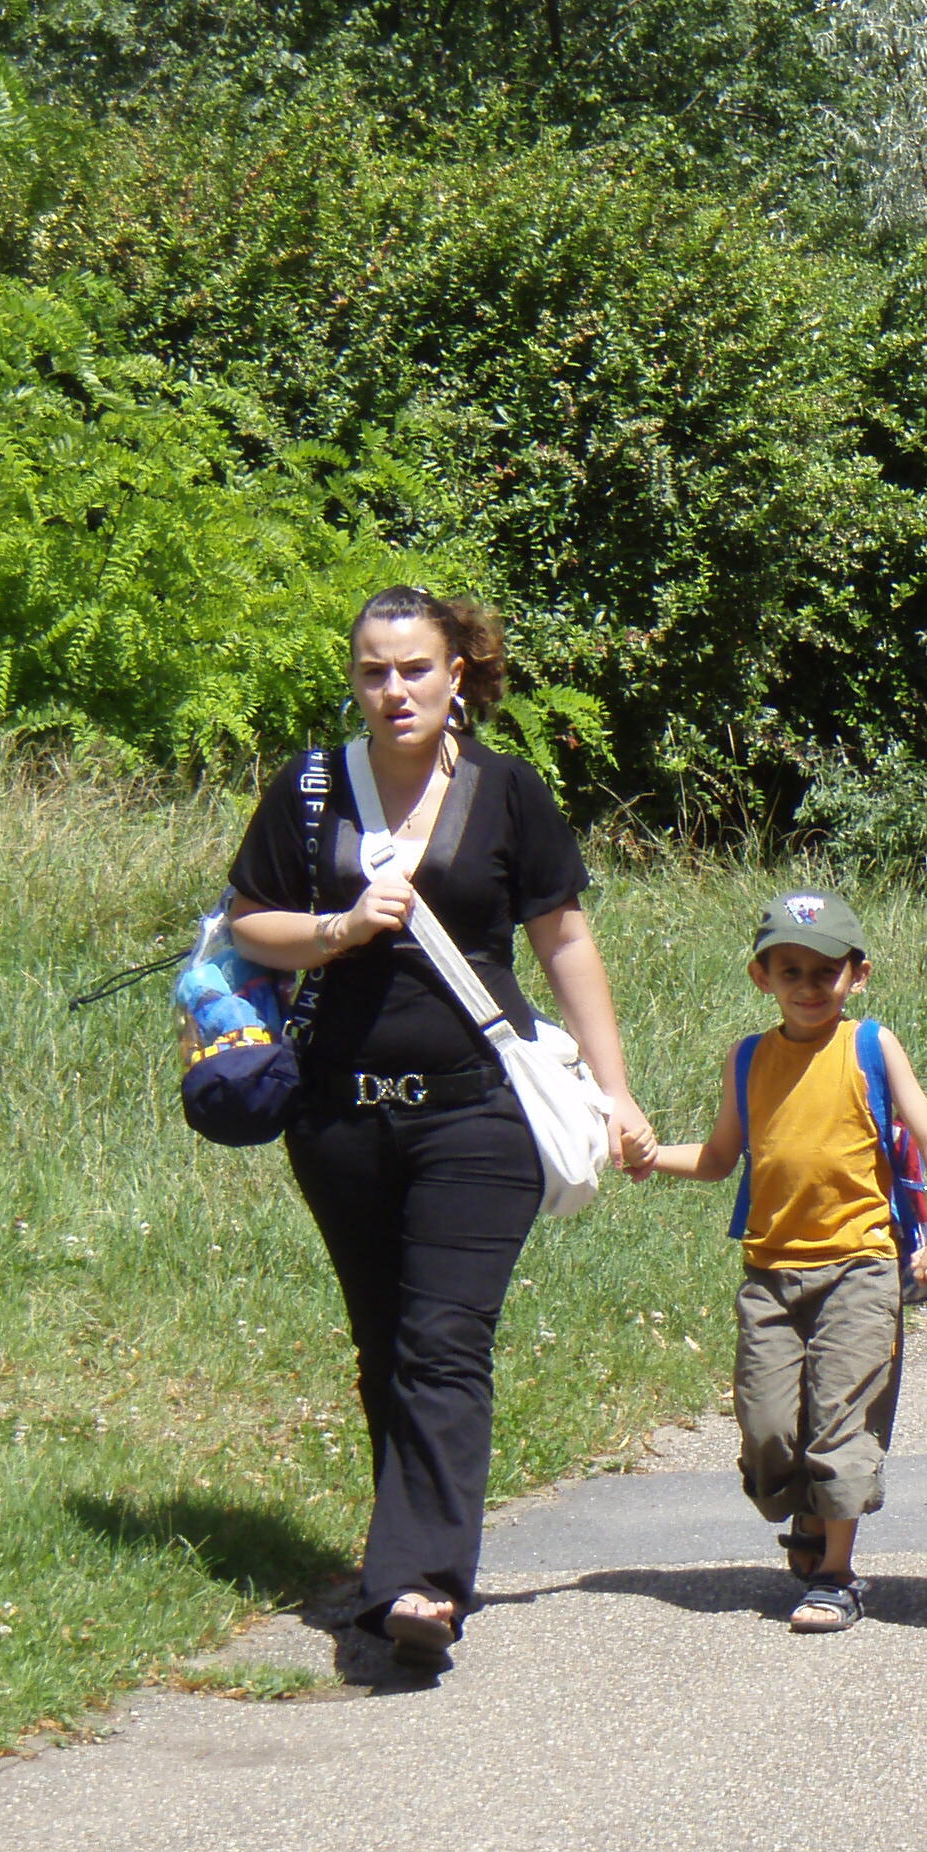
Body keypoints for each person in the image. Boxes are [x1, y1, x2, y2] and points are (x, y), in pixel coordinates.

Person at [224, 586, 657, 1668]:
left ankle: (419, 1586)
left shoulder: (510, 794)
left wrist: (618, 1091)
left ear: (457, 671)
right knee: (385, 1347)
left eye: (414, 668)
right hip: (337, 1120)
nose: (394, 689)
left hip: (477, 1114)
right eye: (374, 671)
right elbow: (248, 922)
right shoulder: (314, 789)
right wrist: (335, 926)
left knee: (442, 1340)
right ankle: (404, 1547)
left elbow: (564, 942)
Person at [646, 892, 927, 1633]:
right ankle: (810, 1516)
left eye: (827, 971)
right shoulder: (749, 1056)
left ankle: (837, 1574)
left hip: (861, 1267)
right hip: (770, 1275)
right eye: (790, 970)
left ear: (858, 974)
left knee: (839, 1423)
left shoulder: (871, 1046)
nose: (809, 985)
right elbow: (721, 1156)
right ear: (762, 976)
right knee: (767, 1435)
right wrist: (647, 1157)